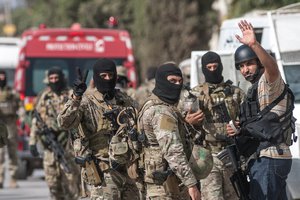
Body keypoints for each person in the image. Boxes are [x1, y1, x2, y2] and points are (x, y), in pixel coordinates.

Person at [227, 20, 295, 200]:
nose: (245, 69)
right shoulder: (252, 91)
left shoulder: (268, 84)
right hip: (263, 159)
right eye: (241, 66)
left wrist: (254, 45)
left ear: (259, 62)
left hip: (269, 158)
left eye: (249, 64)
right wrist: (238, 127)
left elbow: (273, 70)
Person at [57, 58, 139, 200]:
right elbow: (64, 123)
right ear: (96, 77)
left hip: (128, 169)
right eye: (103, 76)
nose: (107, 79)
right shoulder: (86, 102)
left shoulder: (124, 100)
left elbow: (139, 124)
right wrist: (75, 98)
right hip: (103, 171)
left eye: (110, 76)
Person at [179, 51, 244, 200]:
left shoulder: (235, 93)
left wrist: (239, 128)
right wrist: (189, 122)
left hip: (232, 155)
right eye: (209, 67)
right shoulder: (193, 95)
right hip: (206, 155)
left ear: (221, 66)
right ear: (203, 69)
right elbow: (180, 126)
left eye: (216, 66)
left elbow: (248, 123)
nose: (213, 70)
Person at [138, 62, 201, 200]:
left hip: (169, 184)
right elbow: (173, 151)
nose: (177, 85)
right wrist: (191, 184)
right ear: (161, 81)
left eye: (179, 81)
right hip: (164, 188)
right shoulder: (161, 112)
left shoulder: (160, 105)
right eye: (172, 81)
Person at [29, 67, 80, 199]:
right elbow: (36, 120)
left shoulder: (71, 94)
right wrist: (32, 142)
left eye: (56, 78)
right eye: (51, 78)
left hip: (68, 146)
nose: (54, 81)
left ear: (62, 78)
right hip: (49, 146)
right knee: (53, 185)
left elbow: (79, 117)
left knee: (71, 184)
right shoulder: (44, 96)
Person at [0, 70, 20, 189]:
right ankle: (0, 178)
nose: (1, 78)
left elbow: (20, 106)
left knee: (13, 153)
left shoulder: (12, 92)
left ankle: (13, 179)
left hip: (11, 124)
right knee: (0, 154)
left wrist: (22, 119)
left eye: (3, 76)